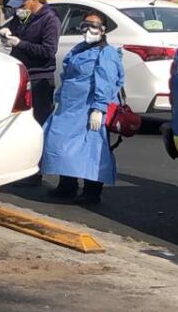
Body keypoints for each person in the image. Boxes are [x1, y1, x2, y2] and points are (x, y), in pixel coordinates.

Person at [40, 12, 125, 202]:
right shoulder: (79, 49)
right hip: (70, 108)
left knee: (92, 150)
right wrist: (60, 98)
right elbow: (68, 75)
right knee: (62, 146)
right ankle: (67, 186)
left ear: (103, 30)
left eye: (93, 26)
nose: (88, 30)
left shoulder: (106, 53)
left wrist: (99, 108)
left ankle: (92, 192)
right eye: (85, 25)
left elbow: (107, 81)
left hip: (90, 109)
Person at [0, 0, 61, 186]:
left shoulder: (49, 20)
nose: (19, 9)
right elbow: (14, 30)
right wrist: (5, 34)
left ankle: (35, 171)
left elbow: (48, 51)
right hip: (21, 74)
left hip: (40, 78)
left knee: (37, 124)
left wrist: (20, 44)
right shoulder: (21, 17)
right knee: (18, 123)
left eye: (22, 4)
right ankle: (19, 166)